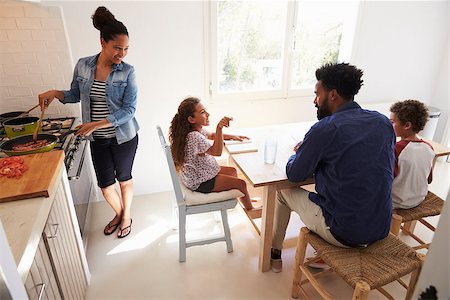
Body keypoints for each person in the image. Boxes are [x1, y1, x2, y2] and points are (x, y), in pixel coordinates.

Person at [270, 62, 396, 272]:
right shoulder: (382, 122)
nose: (315, 100)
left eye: (317, 94)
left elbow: (295, 174)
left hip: (344, 233)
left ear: (333, 95)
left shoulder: (325, 129)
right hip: (381, 226)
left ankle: (274, 253)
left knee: (282, 192)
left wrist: (299, 154)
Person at [38, 6, 139, 239]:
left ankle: (124, 217)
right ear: (102, 42)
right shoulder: (84, 65)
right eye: (117, 48)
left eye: (125, 49)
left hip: (124, 136)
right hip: (98, 139)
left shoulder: (128, 72)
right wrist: (54, 92)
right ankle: (122, 213)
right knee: (106, 186)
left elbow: (129, 110)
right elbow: (75, 94)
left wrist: (95, 124)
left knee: (124, 181)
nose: (122, 54)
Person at [169, 97, 257, 210]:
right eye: (202, 112)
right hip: (201, 182)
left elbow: (211, 135)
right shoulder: (194, 136)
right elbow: (217, 152)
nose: (208, 114)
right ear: (191, 119)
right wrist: (219, 127)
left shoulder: (195, 130)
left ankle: (244, 196)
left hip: (199, 174)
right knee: (241, 184)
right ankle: (251, 209)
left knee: (233, 171)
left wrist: (233, 136)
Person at [389, 100, 434, 209]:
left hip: (396, 202)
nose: (389, 125)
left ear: (407, 125)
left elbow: (387, 179)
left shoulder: (396, 148)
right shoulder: (429, 148)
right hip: (419, 198)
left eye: (392, 122)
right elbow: (429, 179)